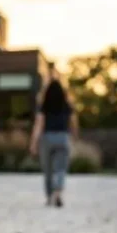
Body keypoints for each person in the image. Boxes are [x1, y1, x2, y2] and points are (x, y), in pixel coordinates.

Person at [28, 78, 77, 207]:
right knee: (61, 169)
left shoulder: (44, 106)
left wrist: (33, 143)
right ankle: (58, 193)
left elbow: (38, 125)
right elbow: (73, 123)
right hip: (63, 137)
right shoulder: (67, 106)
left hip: (47, 138)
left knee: (48, 170)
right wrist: (74, 137)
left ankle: (49, 197)